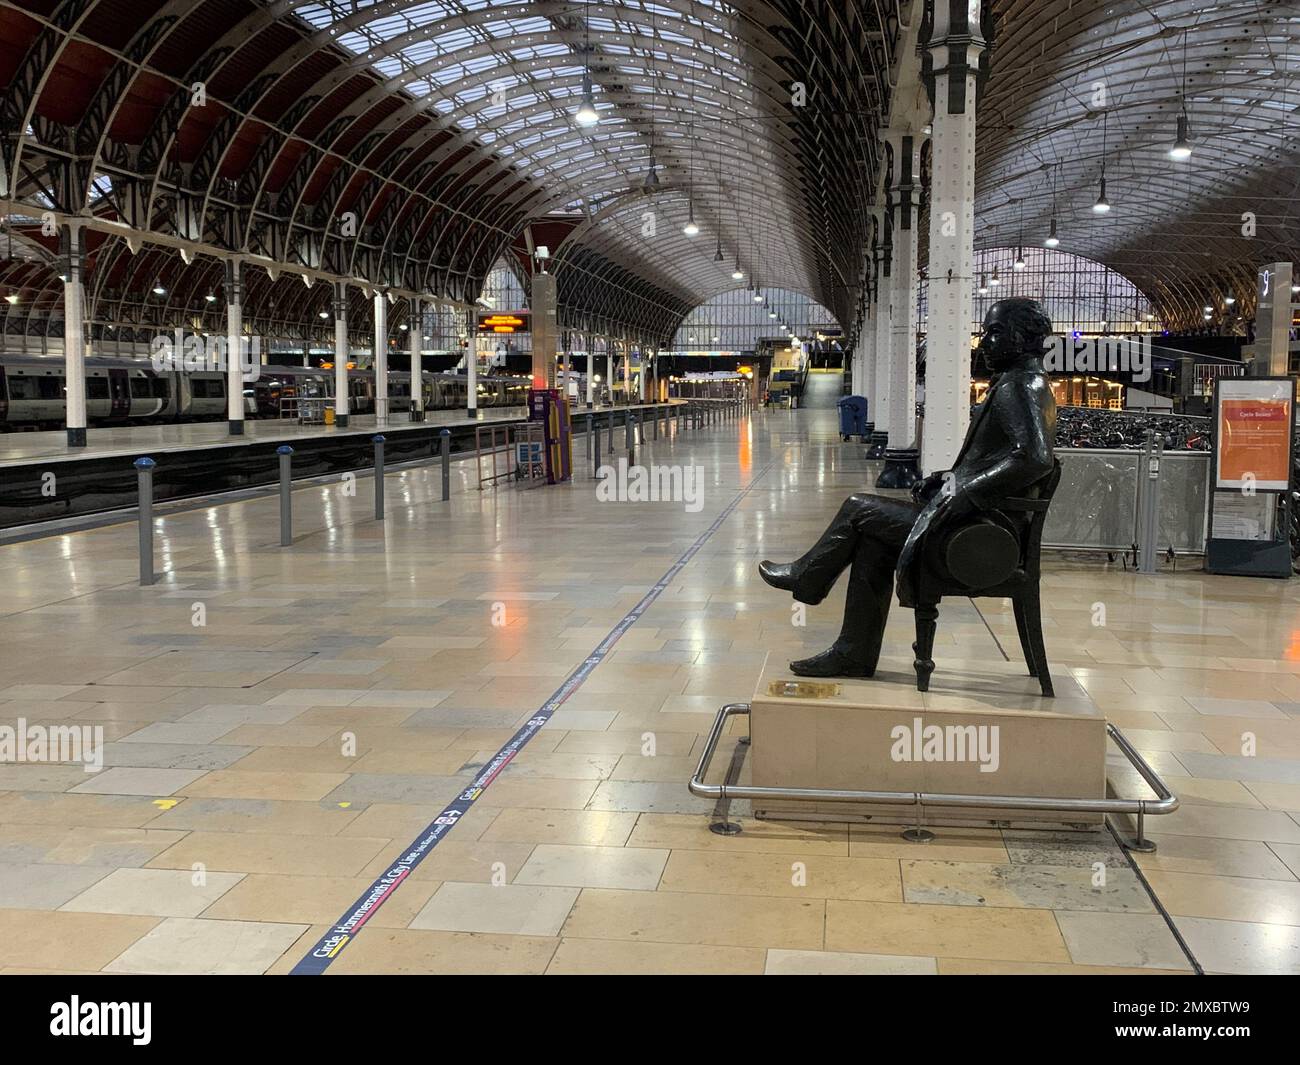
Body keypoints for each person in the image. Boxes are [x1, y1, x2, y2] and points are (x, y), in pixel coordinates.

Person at [759, 297, 1057, 677]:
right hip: (980, 520)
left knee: (857, 506)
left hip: (978, 531)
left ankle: (808, 577)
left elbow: (1034, 458)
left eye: (994, 333)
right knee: (872, 540)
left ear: (1023, 338)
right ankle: (853, 653)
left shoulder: (1020, 387)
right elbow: (1003, 459)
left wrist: (965, 492)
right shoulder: (1028, 384)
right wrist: (945, 480)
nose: (985, 344)